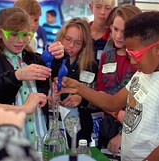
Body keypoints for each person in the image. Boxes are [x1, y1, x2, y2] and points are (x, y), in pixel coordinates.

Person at [57, 11, 159, 161]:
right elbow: (113, 102)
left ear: (158, 49)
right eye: (129, 55)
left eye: (135, 56)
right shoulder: (143, 74)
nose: (133, 62)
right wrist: (78, 87)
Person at [0, 7, 65, 150]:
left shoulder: (35, 59)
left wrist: (59, 56)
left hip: (40, 138)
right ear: (0, 33)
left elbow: (58, 73)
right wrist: (16, 76)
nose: (21, 40)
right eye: (14, 34)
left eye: (26, 34)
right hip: (9, 145)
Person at [96, 5, 141, 156]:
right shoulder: (106, 57)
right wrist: (117, 113)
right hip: (107, 131)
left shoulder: (142, 60)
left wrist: (123, 135)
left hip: (136, 136)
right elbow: (100, 95)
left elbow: (146, 104)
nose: (119, 36)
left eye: (125, 31)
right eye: (115, 29)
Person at [54, 17, 98, 148]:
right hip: (53, 125)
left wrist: (81, 99)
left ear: (84, 45)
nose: (71, 46)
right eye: (68, 39)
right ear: (61, 37)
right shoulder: (49, 61)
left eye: (78, 43)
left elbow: (98, 98)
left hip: (80, 129)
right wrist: (48, 98)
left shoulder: (90, 66)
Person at [89, 0, 116, 65]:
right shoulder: (82, 32)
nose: (102, 12)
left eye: (107, 8)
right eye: (98, 7)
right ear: (91, 7)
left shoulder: (115, 37)